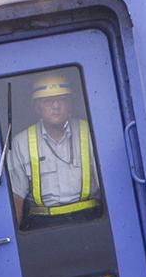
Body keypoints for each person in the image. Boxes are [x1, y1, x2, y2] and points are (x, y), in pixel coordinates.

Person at [7, 73, 102, 228]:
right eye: (47, 101)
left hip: (90, 219)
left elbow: (109, 186)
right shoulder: (21, 142)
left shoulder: (91, 133)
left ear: (70, 104)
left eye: (62, 99)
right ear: (37, 107)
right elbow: (16, 196)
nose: (56, 106)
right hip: (43, 226)